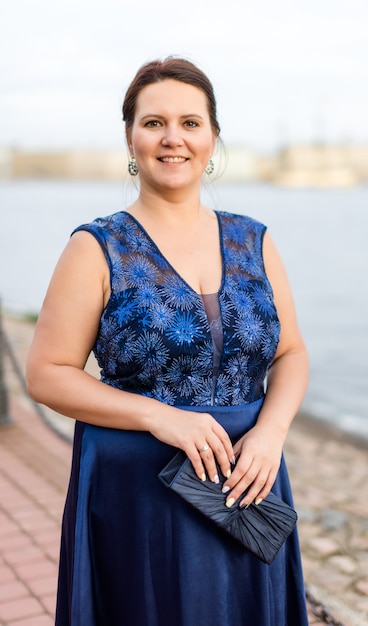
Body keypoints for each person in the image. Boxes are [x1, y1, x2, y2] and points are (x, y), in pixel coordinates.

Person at [26, 56, 310, 626]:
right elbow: (47, 372)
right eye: (153, 122)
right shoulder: (96, 246)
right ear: (130, 138)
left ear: (212, 137)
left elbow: (292, 354)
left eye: (190, 122)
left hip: (247, 479)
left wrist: (271, 435)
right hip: (139, 488)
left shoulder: (253, 239)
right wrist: (161, 417)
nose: (172, 138)